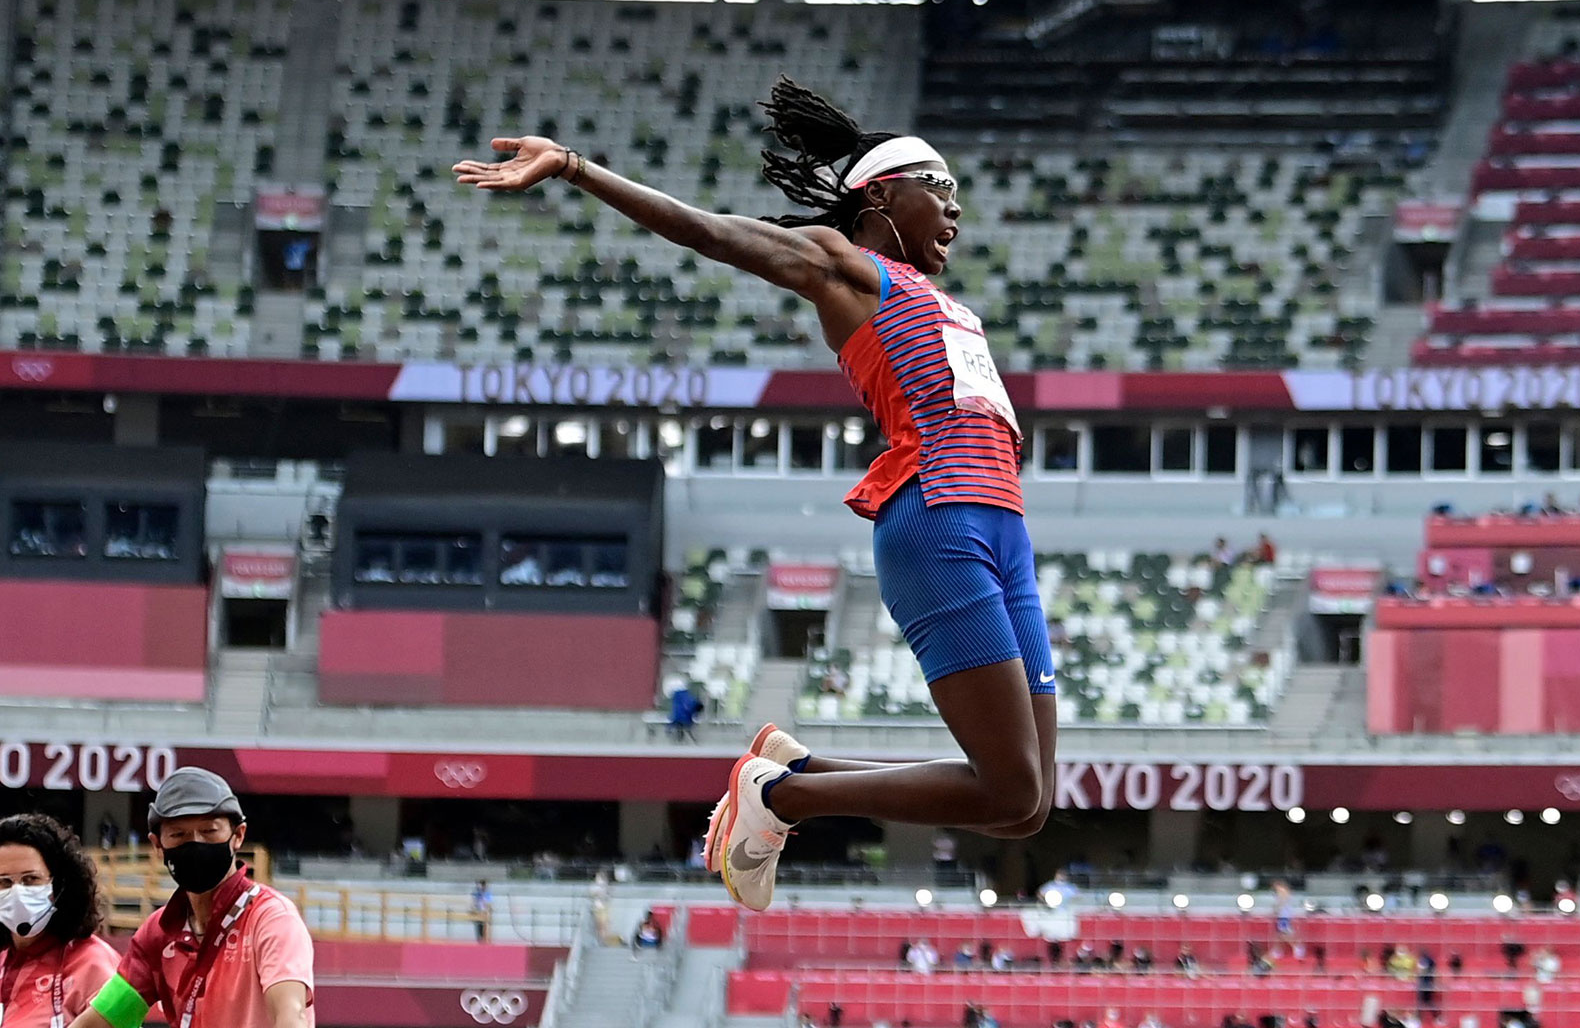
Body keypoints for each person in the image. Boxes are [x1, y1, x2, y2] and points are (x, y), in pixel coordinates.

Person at [457, 78, 1054, 913]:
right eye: (940, 187)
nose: (956, 207)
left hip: (1005, 531)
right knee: (1004, 790)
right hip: (938, 518)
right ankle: (781, 799)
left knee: (1028, 804)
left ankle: (792, 772)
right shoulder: (848, 267)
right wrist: (576, 168)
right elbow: (711, 232)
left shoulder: (947, 303)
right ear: (882, 195)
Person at [71, 766, 313, 1028]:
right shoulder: (157, 932)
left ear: (238, 835)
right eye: (178, 835)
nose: (195, 843)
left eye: (209, 832)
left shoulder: (272, 918)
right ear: (157, 845)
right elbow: (102, 1020)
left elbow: (291, 1016)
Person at [0, 815, 118, 1028]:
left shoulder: (92, 964)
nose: (17, 892)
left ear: (60, 885)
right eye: (4, 882)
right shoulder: (2, 960)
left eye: (31, 879)